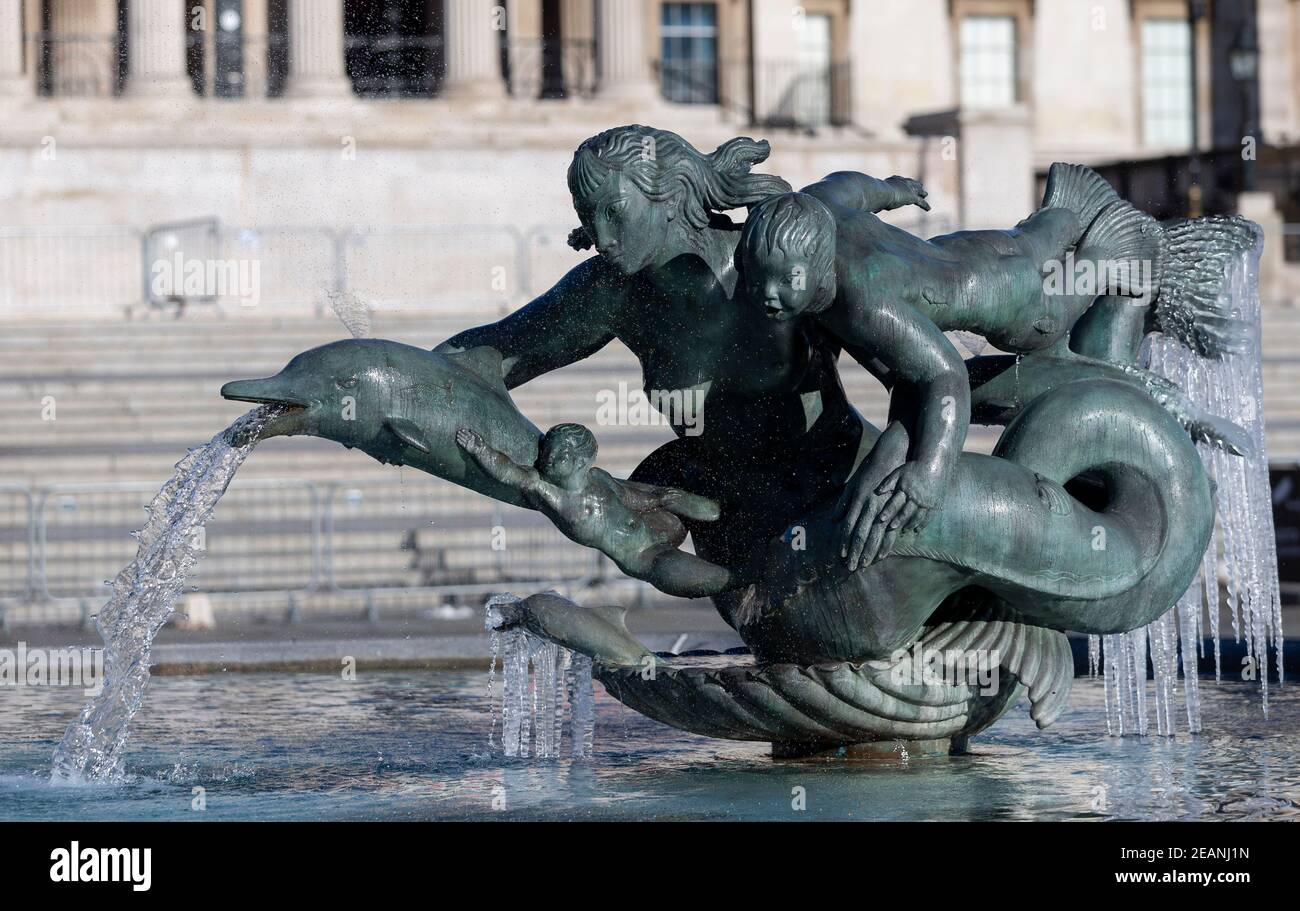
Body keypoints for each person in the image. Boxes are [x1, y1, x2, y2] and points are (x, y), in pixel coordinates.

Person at [455, 424, 729, 598]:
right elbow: (509, 472)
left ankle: (721, 508)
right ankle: (735, 579)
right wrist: (480, 449)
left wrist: (660, 499)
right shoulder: (548, 490)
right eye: (547, 452)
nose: (548, 459)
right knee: (670, 568)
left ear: (581, 461)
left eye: (559, 455)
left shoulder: (598, 478)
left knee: (687, 500)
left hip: (656, 526)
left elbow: (632, 497)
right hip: (643, 554)